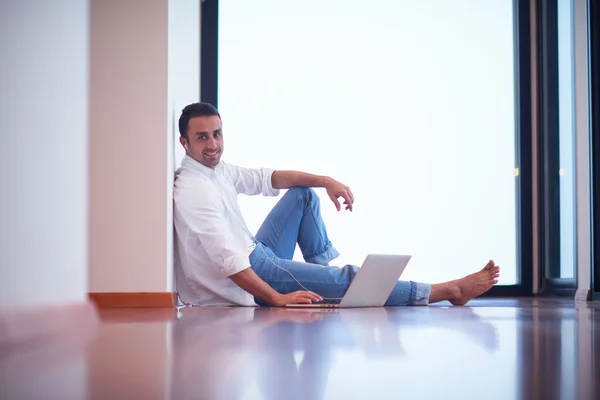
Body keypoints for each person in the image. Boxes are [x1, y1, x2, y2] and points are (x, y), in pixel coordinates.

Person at [173, 102, 500, 307]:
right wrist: (276, 298)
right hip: (251, 274)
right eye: (202, 137)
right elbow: (228, 262)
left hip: (256, 251)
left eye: (217, 134)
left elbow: (266, 178)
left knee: (303, 194)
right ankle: (449, 291)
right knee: (351, 279)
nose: (213, 144)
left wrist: (325, 180)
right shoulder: (193, 189)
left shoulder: (216, 170)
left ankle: (322, 276)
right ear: (184, 142)